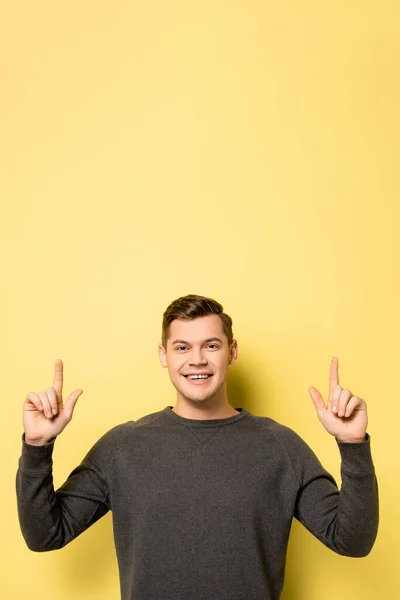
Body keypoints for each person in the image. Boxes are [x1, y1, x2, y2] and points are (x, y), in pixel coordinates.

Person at [16, 294, 378, 600]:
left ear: (231, 352)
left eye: (211, 345)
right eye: (182, 347)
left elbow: (352, 541)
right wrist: (37, 445)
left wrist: (352, 444)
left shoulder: (280, 446)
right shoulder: (122, 447)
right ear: (164, 355)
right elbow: (46, 535)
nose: (197, 360)